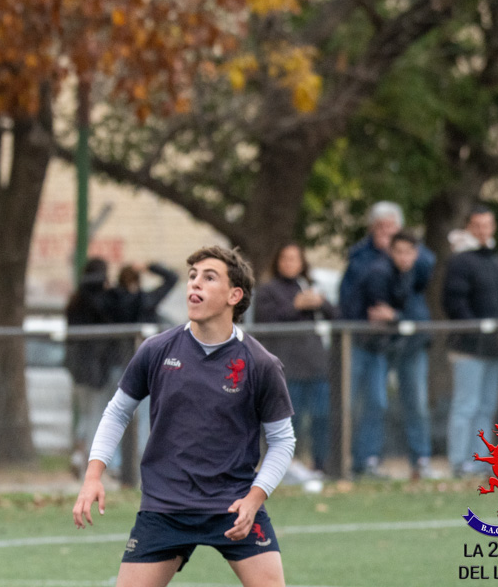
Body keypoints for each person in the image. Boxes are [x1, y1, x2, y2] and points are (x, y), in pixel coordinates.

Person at [72, 246, 295, 587]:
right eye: (192, 277)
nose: (195, 285)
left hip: (233, 505)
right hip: (165, 507)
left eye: (209, 277)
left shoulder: (260, 363)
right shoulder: (156, 350)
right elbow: (117, 412)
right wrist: (93, 476)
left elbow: (282, 440)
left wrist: (254, 499)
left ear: (234, 295)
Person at [251, 244, 336, 475]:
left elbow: (336, 314)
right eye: (285, 258)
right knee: (290, 421)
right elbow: (263, 322)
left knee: (321, 416)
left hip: (315, 364)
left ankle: (322, 465)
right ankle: (286, 467)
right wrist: (295, 306)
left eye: (295, 259)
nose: (290, 263)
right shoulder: (269, 290)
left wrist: (320, 302)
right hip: (287, 367)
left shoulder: (308, 286)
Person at [354, 232, 433, 479]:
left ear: (416, 254)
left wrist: (398, 317)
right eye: (398, 251)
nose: (403, 257)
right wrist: (399, 318)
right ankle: (367, 460)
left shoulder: (415, 274)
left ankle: (420, 460)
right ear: (391, 252)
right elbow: (379, 314)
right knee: (375, 403)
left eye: (408, 252)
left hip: (410, 347)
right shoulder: (380, 273)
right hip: (378, 349)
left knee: (417, 404)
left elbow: (417, 314)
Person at [444, 204, 498, 479]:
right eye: (478, 226)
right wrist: (476, 329)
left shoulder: (496, 260)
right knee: (466, 405)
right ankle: (459, 461)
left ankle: (482, 461)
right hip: (468, 348)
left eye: (488, 225)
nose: (483, 231)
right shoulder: (461, 260)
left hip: (493, 348)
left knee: (486, 406)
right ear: (469, 227)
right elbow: (454, 301)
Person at [65, 259, 122, 473]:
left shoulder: (76, 299)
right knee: (96, 413)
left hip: (78, 367)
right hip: (96, 367)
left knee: (87, 413)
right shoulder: (98, 300)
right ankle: (88, 460)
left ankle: (79, 455)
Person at [107, 262, 181, 325]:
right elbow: (172, 277)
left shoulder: (110, 298)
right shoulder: (146, 299)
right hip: (145, 340)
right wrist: (148, 267)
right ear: (138, 280)